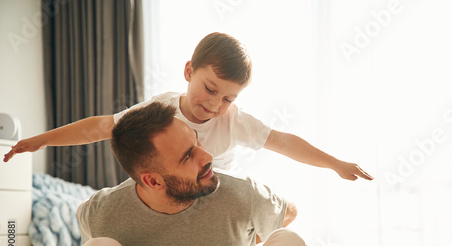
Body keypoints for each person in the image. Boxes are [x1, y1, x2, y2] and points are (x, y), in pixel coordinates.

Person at [3, 32, 373, 181]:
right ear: (188, 71)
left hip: (215, 190)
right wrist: (41, 140)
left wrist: (334, 163)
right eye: (209, 88)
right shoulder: (161, 108)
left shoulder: (233, 121)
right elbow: (102, 127)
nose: (215, 104)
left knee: (266, 204)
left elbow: (283, 142)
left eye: (228, 97)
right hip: (171, 189)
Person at [77, 100, 309, 246]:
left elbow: (289, 213)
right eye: (188, 156)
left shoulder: (240, 193)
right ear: (153, 181)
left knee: (291, 242)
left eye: (197, 141)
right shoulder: (102, 213)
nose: (207, 156)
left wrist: (242, 238)